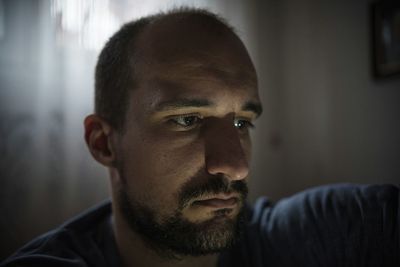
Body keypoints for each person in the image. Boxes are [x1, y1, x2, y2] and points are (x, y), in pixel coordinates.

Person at [1, 7, 399, 267]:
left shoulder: (306, 240)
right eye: (188, 119)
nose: (237, 166)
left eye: (243, 122)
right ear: (104, 142)